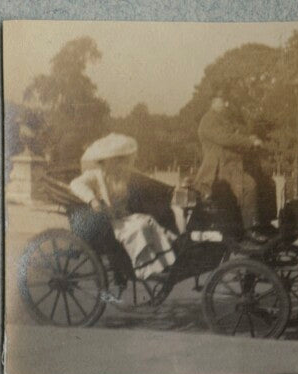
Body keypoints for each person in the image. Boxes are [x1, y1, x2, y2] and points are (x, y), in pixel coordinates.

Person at [70, 133, 176, 281]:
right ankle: (144, 270)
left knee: (148, 221)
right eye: (118, 160)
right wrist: (92, 199)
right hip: (109, 222)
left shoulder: (124, 174)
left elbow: (148, 181)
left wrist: (171, 189)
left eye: (123, 159)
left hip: (124, 217)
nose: (122, 163)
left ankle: (165, 262)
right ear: (107, 161)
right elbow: (76, 184)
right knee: (139, 228)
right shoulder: (95, 174)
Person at [194, 94, 277, 240]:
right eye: (222, 102)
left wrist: (251, 139)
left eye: (226, 102)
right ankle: (250, 230)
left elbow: (234, 135)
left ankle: (262, 223)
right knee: (249, 186)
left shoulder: (221, 120)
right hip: (218, 169)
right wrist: (249, 142)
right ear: (213, 103)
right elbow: (225, 139)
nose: (226, 105)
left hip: (231, 166)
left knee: (267, 183)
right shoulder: (208, 120)